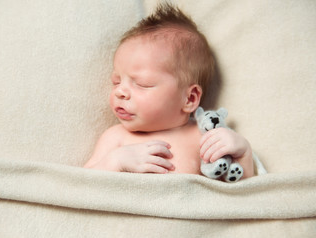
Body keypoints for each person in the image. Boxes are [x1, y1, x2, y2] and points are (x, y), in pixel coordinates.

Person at [84, 3, 254, 178]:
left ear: (189, 98)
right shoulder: (115, 138)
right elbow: (80, 185)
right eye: (116, 81)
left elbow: (243, 196)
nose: (120, 92)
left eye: (142, 84)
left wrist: (243, 155)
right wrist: (115, 162)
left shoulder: (202, 138)